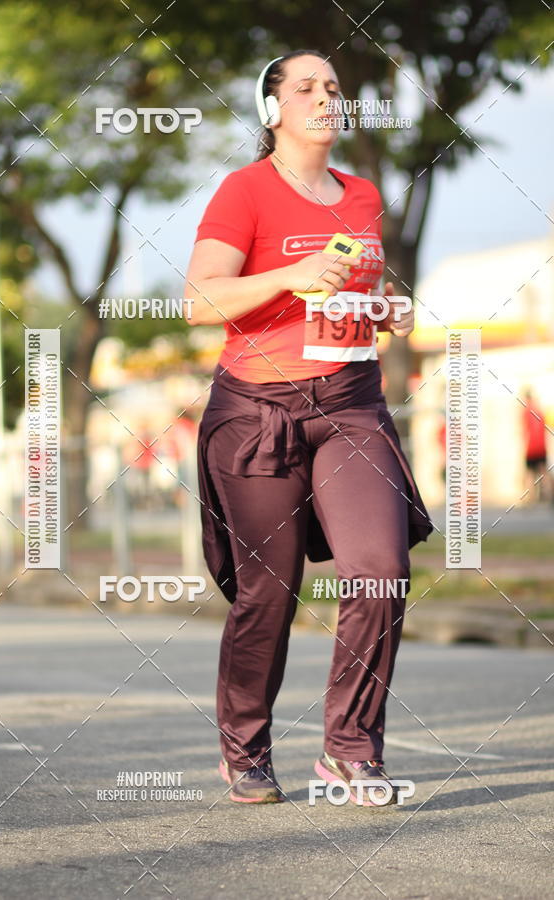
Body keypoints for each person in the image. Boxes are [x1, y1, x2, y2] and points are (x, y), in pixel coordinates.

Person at [184, 49, 433, 806]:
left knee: (381, 569)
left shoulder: (363, 196)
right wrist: (289, 276)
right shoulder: (246, 190)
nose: (326, 97)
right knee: (269, 592)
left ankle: (350, 749)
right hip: (258, 413)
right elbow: (199, 300)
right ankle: (245, 750)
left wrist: (387, 308)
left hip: (352, 404)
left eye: (333, 87)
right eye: (306, 88)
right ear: (273, 110)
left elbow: (353, 294)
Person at [522, 390, 550, 503]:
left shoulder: (526, 412)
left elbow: (525, 431)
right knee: (543, 472)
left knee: (530, 473)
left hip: (531, 448)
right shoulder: (540, 412)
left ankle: (530, 498)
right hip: (541, 447)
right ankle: (547, 495)